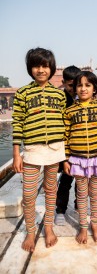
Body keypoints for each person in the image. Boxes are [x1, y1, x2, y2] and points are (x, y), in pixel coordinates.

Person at [12, 48, 66, 252]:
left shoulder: (58, 95)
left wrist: (66, 154)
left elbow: (63, 123)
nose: (41, 70)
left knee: (51, 190)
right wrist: (17, 154)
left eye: (45, 66)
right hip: (33, 149)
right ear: (30, 69)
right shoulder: (23, 93)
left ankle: (49, 228)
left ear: (51, 68)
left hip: (54, 149)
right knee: (28, 194)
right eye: (36, 66)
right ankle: (31, 230)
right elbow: (17, 123)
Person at [63, 71, 97, 244]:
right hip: (78, 160)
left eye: (88, 85)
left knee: (94, 194)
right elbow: (65, 136)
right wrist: (65, 159)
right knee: (81, 193)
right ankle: (83, 227)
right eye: (80, 85)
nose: (83, 88)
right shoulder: (69, 111)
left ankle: (94, 224)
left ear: (94, 88)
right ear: (75, 88)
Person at [55, 66, 80, 226]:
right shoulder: (59, 100)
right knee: (65, 179)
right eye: (71, 85)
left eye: (76, 85)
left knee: (82, 180)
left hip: (80, 147)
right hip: (65, 148)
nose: (74, 89)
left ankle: (79, 204)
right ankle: (60, 210)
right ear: (64, 83)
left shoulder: (83, 99)